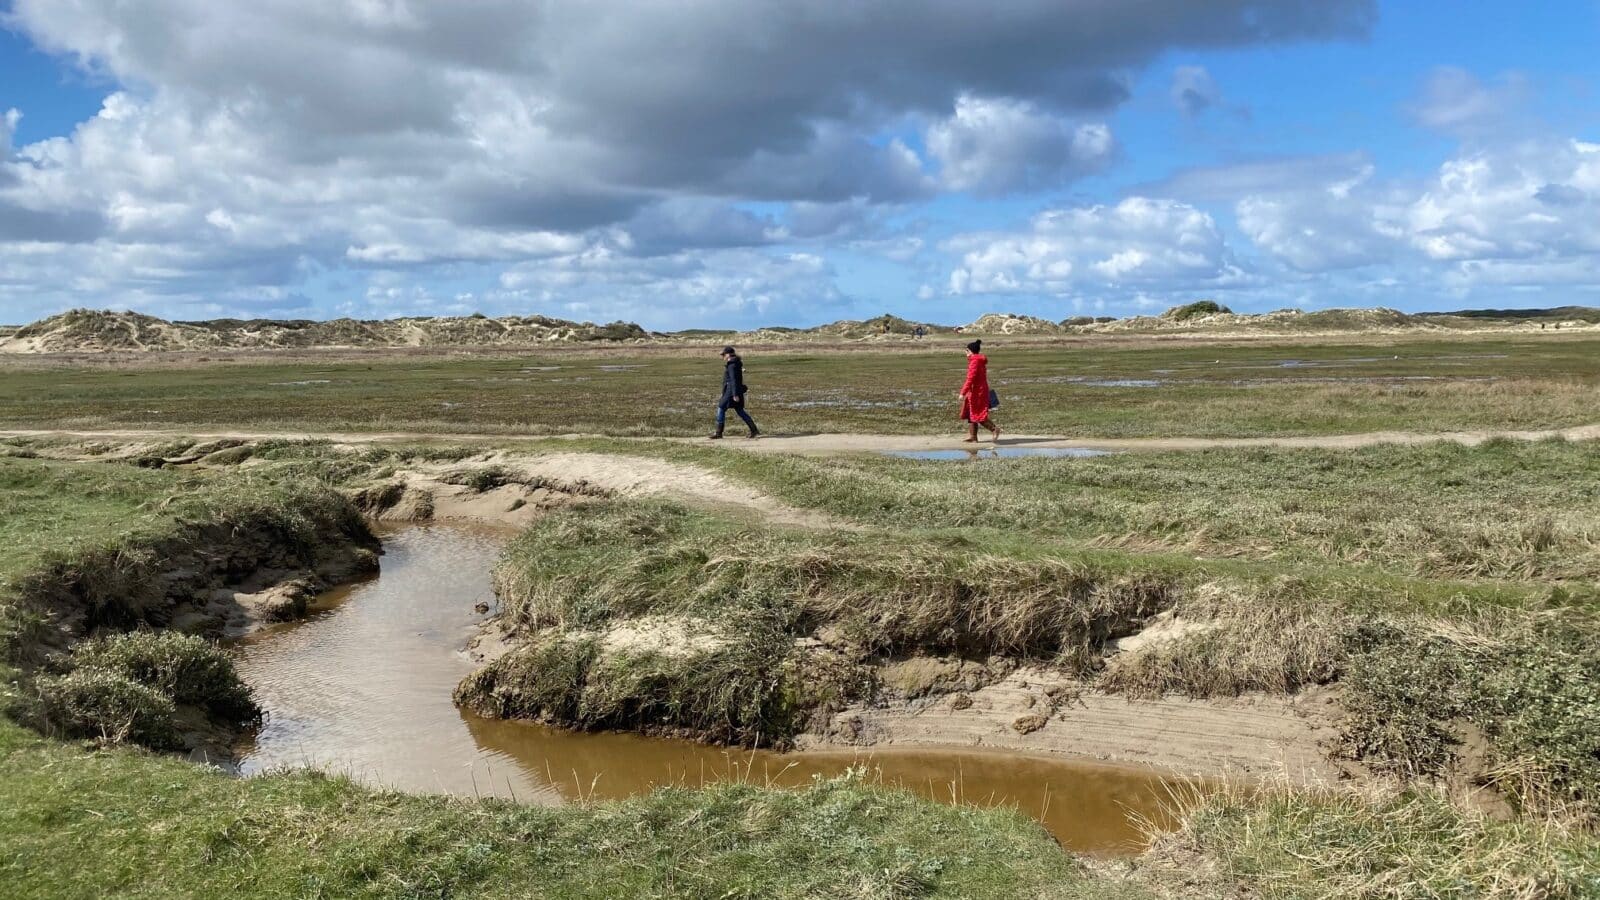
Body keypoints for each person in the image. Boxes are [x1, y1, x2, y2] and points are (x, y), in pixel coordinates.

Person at [710, 345, 759, 439]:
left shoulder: (732, 365)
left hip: (731, 392)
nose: (722, 356)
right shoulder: (735, 363)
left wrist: (734, 394)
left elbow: (733, 380)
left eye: (723, 355)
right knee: (740, 411)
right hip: (734, 391)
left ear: (728, 354)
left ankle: (718, 433)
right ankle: (754, 430)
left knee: (721, 408)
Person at [957, 339, 1000, 443]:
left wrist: (962, 393)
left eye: (967, 350)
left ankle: (994, 429)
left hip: (978, 392)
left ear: (971, 351)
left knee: (978, 414)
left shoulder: (975, 361)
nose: (965, 352)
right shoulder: (977, 360)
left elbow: (970, 379)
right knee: (970, 413)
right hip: (976, 391)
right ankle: (973, 437)